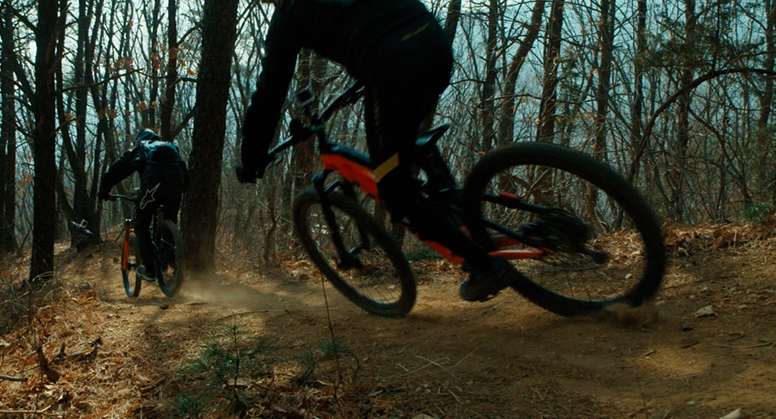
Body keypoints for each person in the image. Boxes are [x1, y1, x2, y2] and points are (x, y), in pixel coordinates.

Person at [233, 0, 525, 302]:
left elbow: (269, 90)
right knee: (406, 137)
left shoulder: (290, 13)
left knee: (395, 191)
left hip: (392, 64)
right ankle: (460, 213)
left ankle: (485, 266)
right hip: (433, 41)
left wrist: (251, 158)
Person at [99, 129, 189, 278]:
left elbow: (116, 171)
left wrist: (103, 191)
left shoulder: (141, 149)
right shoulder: (172, 149)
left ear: (139, 140)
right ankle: (168, 261)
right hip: (176, 186)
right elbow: (185, 172)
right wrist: (182, 189)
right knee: (170, 219)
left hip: (153, 186)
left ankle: (149, 268)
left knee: (141, 224)